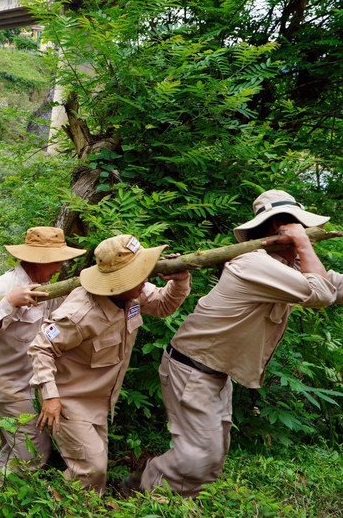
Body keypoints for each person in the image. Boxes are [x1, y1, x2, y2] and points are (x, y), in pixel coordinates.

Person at [131, 190, 343, 497]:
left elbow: (331, 283)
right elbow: (321, 294)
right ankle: (144, 487)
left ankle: (174, 498)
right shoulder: (254, 264)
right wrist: (304, 242)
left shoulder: (284, 263)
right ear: (280, 229)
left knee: (212, 456)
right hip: (192, 369)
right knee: (199, 455)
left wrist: (301, 246)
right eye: (300, 229)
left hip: (216, 372)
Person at [29, 234, 191, 494]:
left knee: (93, 468)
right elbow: (40, 346)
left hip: (101, 402)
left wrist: (180, 281)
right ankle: (69, 507)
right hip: (70, 402)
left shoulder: (134, 292)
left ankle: (68, 501)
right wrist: (50, 396)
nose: (145, 280)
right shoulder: (79, 314)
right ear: (116, 281)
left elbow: (163, 305)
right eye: (138, 275)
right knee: (92, 469)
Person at [0, 226, 85, 474]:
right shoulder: (4, 287)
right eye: (55, 262)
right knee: (32, 454)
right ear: (38, 259)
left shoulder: (49, 286)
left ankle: (1, 489)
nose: (58, 269)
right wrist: (9, 303)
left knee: (16, 445)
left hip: (27, 383)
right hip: (5, 386)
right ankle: (11, 501)